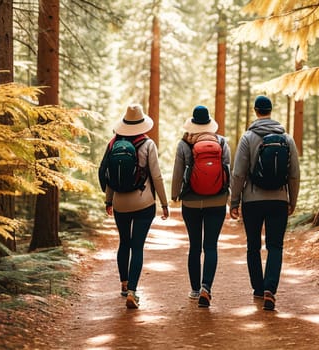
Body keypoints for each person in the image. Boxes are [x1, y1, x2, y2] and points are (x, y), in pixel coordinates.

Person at [229, 95, 300, 311]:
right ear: (270, 110)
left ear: (255, 111)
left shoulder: (248, 137)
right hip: (279, 200)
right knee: (275, 246)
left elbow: (238, 173)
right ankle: (270, 289)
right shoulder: (286, 138)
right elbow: (294, 174)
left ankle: (258, 289)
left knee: (253, 246)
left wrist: (234, 201)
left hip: (252, 201)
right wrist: (292, 200)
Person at [103, 103, 169, 309]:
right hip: (143, 202)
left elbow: (109, 175)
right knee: (137, 246)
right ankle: (133, 291)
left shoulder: (113, 143)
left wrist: (108, 199)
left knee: (124, 243)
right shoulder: (148, 145)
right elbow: (156, 176)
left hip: (120, 202)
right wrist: (164, 203)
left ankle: (123, 284)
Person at [171, 105, 231, 307]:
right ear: (209, 123)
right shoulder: (222, 142)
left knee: (195, 246)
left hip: (191, 202)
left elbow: (178, 173)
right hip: (217, 201)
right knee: (211, 246)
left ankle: (195, 290)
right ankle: (207, 287)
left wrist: (174, 196)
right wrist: (232, 200)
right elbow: (228, 172)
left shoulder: (184, 144)